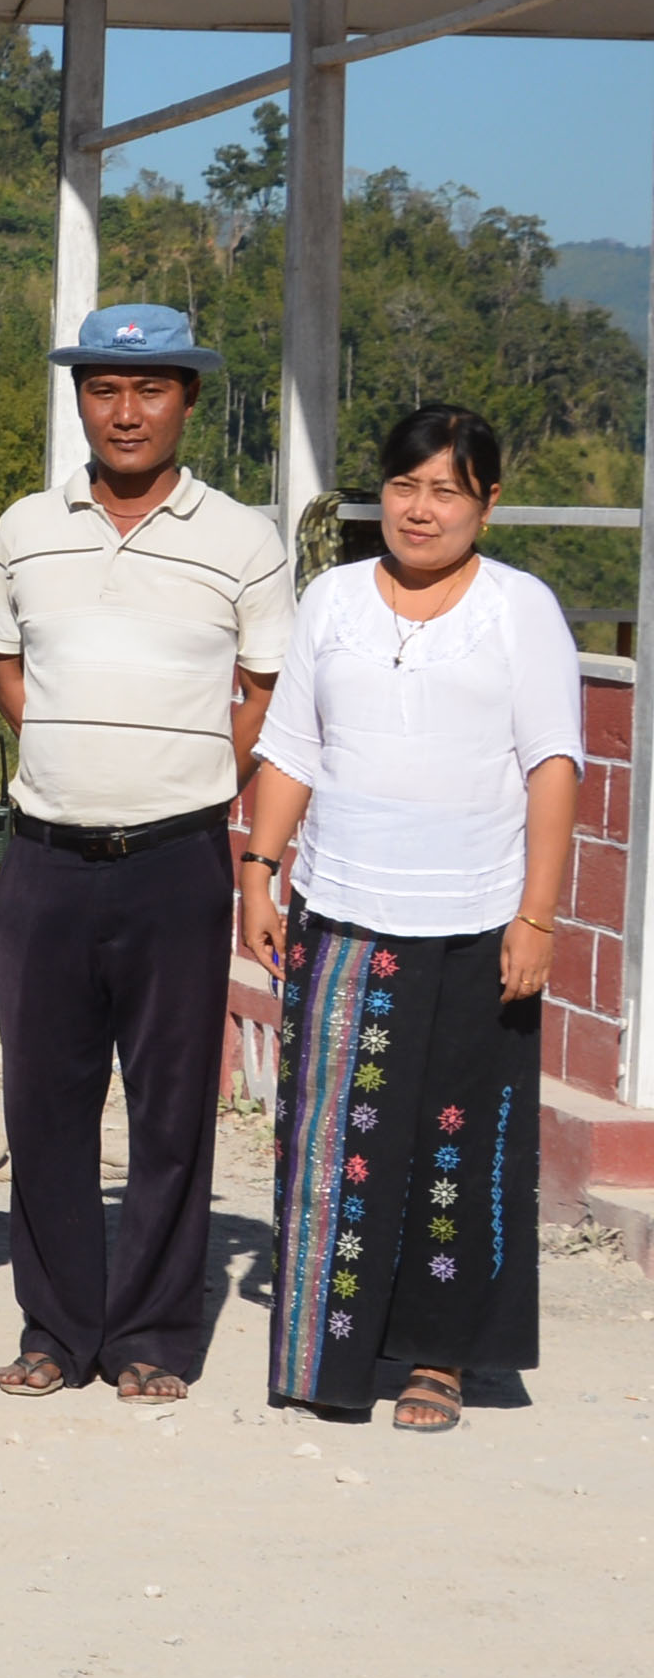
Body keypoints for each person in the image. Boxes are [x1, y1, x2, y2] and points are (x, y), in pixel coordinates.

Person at [241, 404, 579, 1432]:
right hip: (342, 914)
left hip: (479, 923)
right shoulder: (335, 600)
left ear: (486, 502)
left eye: (446, 491)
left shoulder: (520, 609)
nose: (420, 510)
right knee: (335, 1141)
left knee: (456, 1143)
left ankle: (439, 1360)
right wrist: (259, 870)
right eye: (403, 486)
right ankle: (328, 1357)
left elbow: (554, 767)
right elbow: (293, 746)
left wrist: (538, 917)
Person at [0, 303, 291, 1402]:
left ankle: (154, 1332)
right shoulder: (28, 528)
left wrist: (191, 773)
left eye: (151, 388)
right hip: (50, 858)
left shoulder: (244, 539)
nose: (126, 410)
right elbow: (7, 672)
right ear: (79, 399)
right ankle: (57, 1330)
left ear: (189, 400)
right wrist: (76, 757)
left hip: (179, 859)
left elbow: (261, 690)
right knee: (45, 1101)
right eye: (104, 388)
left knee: (169, 1105)